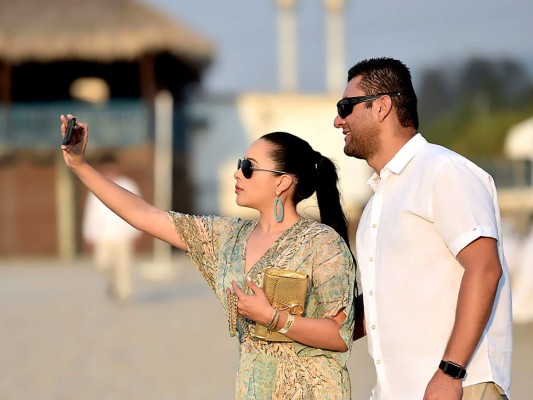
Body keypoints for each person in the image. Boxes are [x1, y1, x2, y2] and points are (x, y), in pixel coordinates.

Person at [59, 115, 357, 399]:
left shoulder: (322, 244)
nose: (237, 173)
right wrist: (79, 165)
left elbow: (340, 335)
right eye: (240, 164)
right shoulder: (227, 236)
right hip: (253, 387)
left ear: (282, 182)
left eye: (249, 167)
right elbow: (144, 215)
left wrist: (272, 317)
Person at [333, 58, 512, 400]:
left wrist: (450, 372)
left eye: (346, 107)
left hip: (458, 386)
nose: (338, 120)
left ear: (382, 106)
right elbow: (378, 301)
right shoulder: (377, 201)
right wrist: (289, 322)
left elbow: (485, 268)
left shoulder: (442, 171)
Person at [82, 153, 142, 303]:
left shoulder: (128, 185)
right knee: (102, 265)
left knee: (124, 266)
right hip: (103, 236)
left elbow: (139, 209)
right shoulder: (96, 187)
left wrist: (136, 232)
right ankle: (113, 284)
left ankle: (124, 294)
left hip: (123, 234)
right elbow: (91, 213)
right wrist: (89, 234)